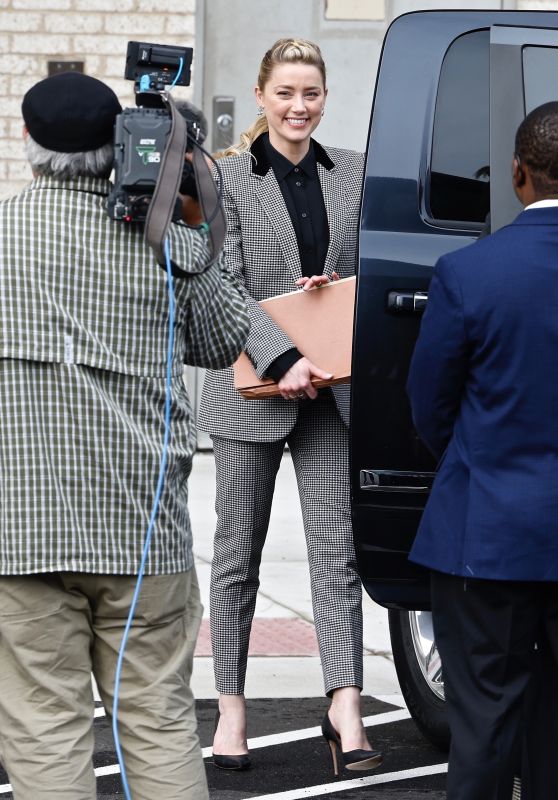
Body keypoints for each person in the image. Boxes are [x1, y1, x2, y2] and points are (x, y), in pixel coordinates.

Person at [0, 71, 249, 800]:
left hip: (20, 530)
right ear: (118, 146)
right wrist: (196, 215)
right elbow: (227, 334)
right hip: (143, 531)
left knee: (43, 724)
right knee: (158, 719)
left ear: (29, 144)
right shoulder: (162, 238)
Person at [197, 38, 383, 775]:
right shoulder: (228, 178)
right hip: (253, 390)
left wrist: (330, 291)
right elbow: (224, 282)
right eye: (286, 93)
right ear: (262, 97)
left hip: (330, 391)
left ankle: (345, 704)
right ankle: (232, 707)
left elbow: (370, 268)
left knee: (337, 555)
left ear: (325, 97)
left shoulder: (355, 174)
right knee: (236, 559)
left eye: (311, 93)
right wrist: (286, 355)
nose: (299, 106)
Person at [406, 101, 558, 799]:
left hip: (488, 532)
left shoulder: (469, 273)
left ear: (520, 174)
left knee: (485, 723)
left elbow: (429, 403)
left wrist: (478, 458)